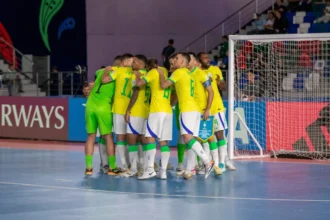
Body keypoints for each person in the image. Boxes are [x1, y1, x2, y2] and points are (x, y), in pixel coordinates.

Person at [158, 52, 215, 179]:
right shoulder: (189, 74)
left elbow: (163, 85)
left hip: (187, 110)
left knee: (187, 139)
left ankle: (207, 161)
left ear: (183, 62)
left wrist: (161, 74)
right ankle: (190, 169)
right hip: (195, 109)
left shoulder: (179, 73)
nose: (174, 61)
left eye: (177, 59)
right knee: (192, 140)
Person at [133, 58, 173, 180]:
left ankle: (150, 170)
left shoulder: (153, 72)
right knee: (164, 142)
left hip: (156, 110)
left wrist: (138, 76)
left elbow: (139, 84)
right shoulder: (165, 73)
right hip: (168, 110)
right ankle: (163, 172)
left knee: (150, 138)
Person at [186, 52, 222, 179]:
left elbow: (211, 92)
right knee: (192, 139)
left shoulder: (202, 74)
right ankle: (192, 168)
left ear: (196, 62)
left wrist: (207, 109)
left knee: (210, 137)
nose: (187, 62)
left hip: (202, 110)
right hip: (190, 111)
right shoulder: (185, 74)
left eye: (189, 60)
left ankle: (216, 165)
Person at [198, 52, 236, 173]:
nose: (208, 60)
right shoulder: (197, 73)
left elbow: (223, 87)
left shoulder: (216, 69)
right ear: (199, 61)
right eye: (205, 58)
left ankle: (222, 162)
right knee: (205, 137)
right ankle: (206, 163)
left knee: (220, 135)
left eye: (208, 58)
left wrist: (221, 82)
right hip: (203, 109)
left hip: (217, 107)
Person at [103, 53, 134, 172]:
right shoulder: (137, 72)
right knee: (132, 138)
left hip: (119, 108)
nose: (133, 63)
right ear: (125, 62)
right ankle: (133, 165)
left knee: (121, 138)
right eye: (132, 61)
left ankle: (124, 165)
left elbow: (105, 80)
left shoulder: (117, 71)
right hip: (132, 109)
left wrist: (106, 70)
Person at [84, 65, 118, 175]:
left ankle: (88, 168)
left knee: (90, 137)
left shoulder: (99, 72)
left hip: (90, 107)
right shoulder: (116, 75)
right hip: (104, 108)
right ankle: (112, 168)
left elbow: (99, 74)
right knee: (108, 137)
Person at [124, 54, 150, 177]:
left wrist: (128, 109)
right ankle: (144, 167)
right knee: (144, 140)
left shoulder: (136, 75)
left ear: (140, 63)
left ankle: (134, 169)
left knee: (132, 140)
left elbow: (135, 91)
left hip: (136, 111)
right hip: (147, 111)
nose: (132, 64)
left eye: (134, 62)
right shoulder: (149, 75)